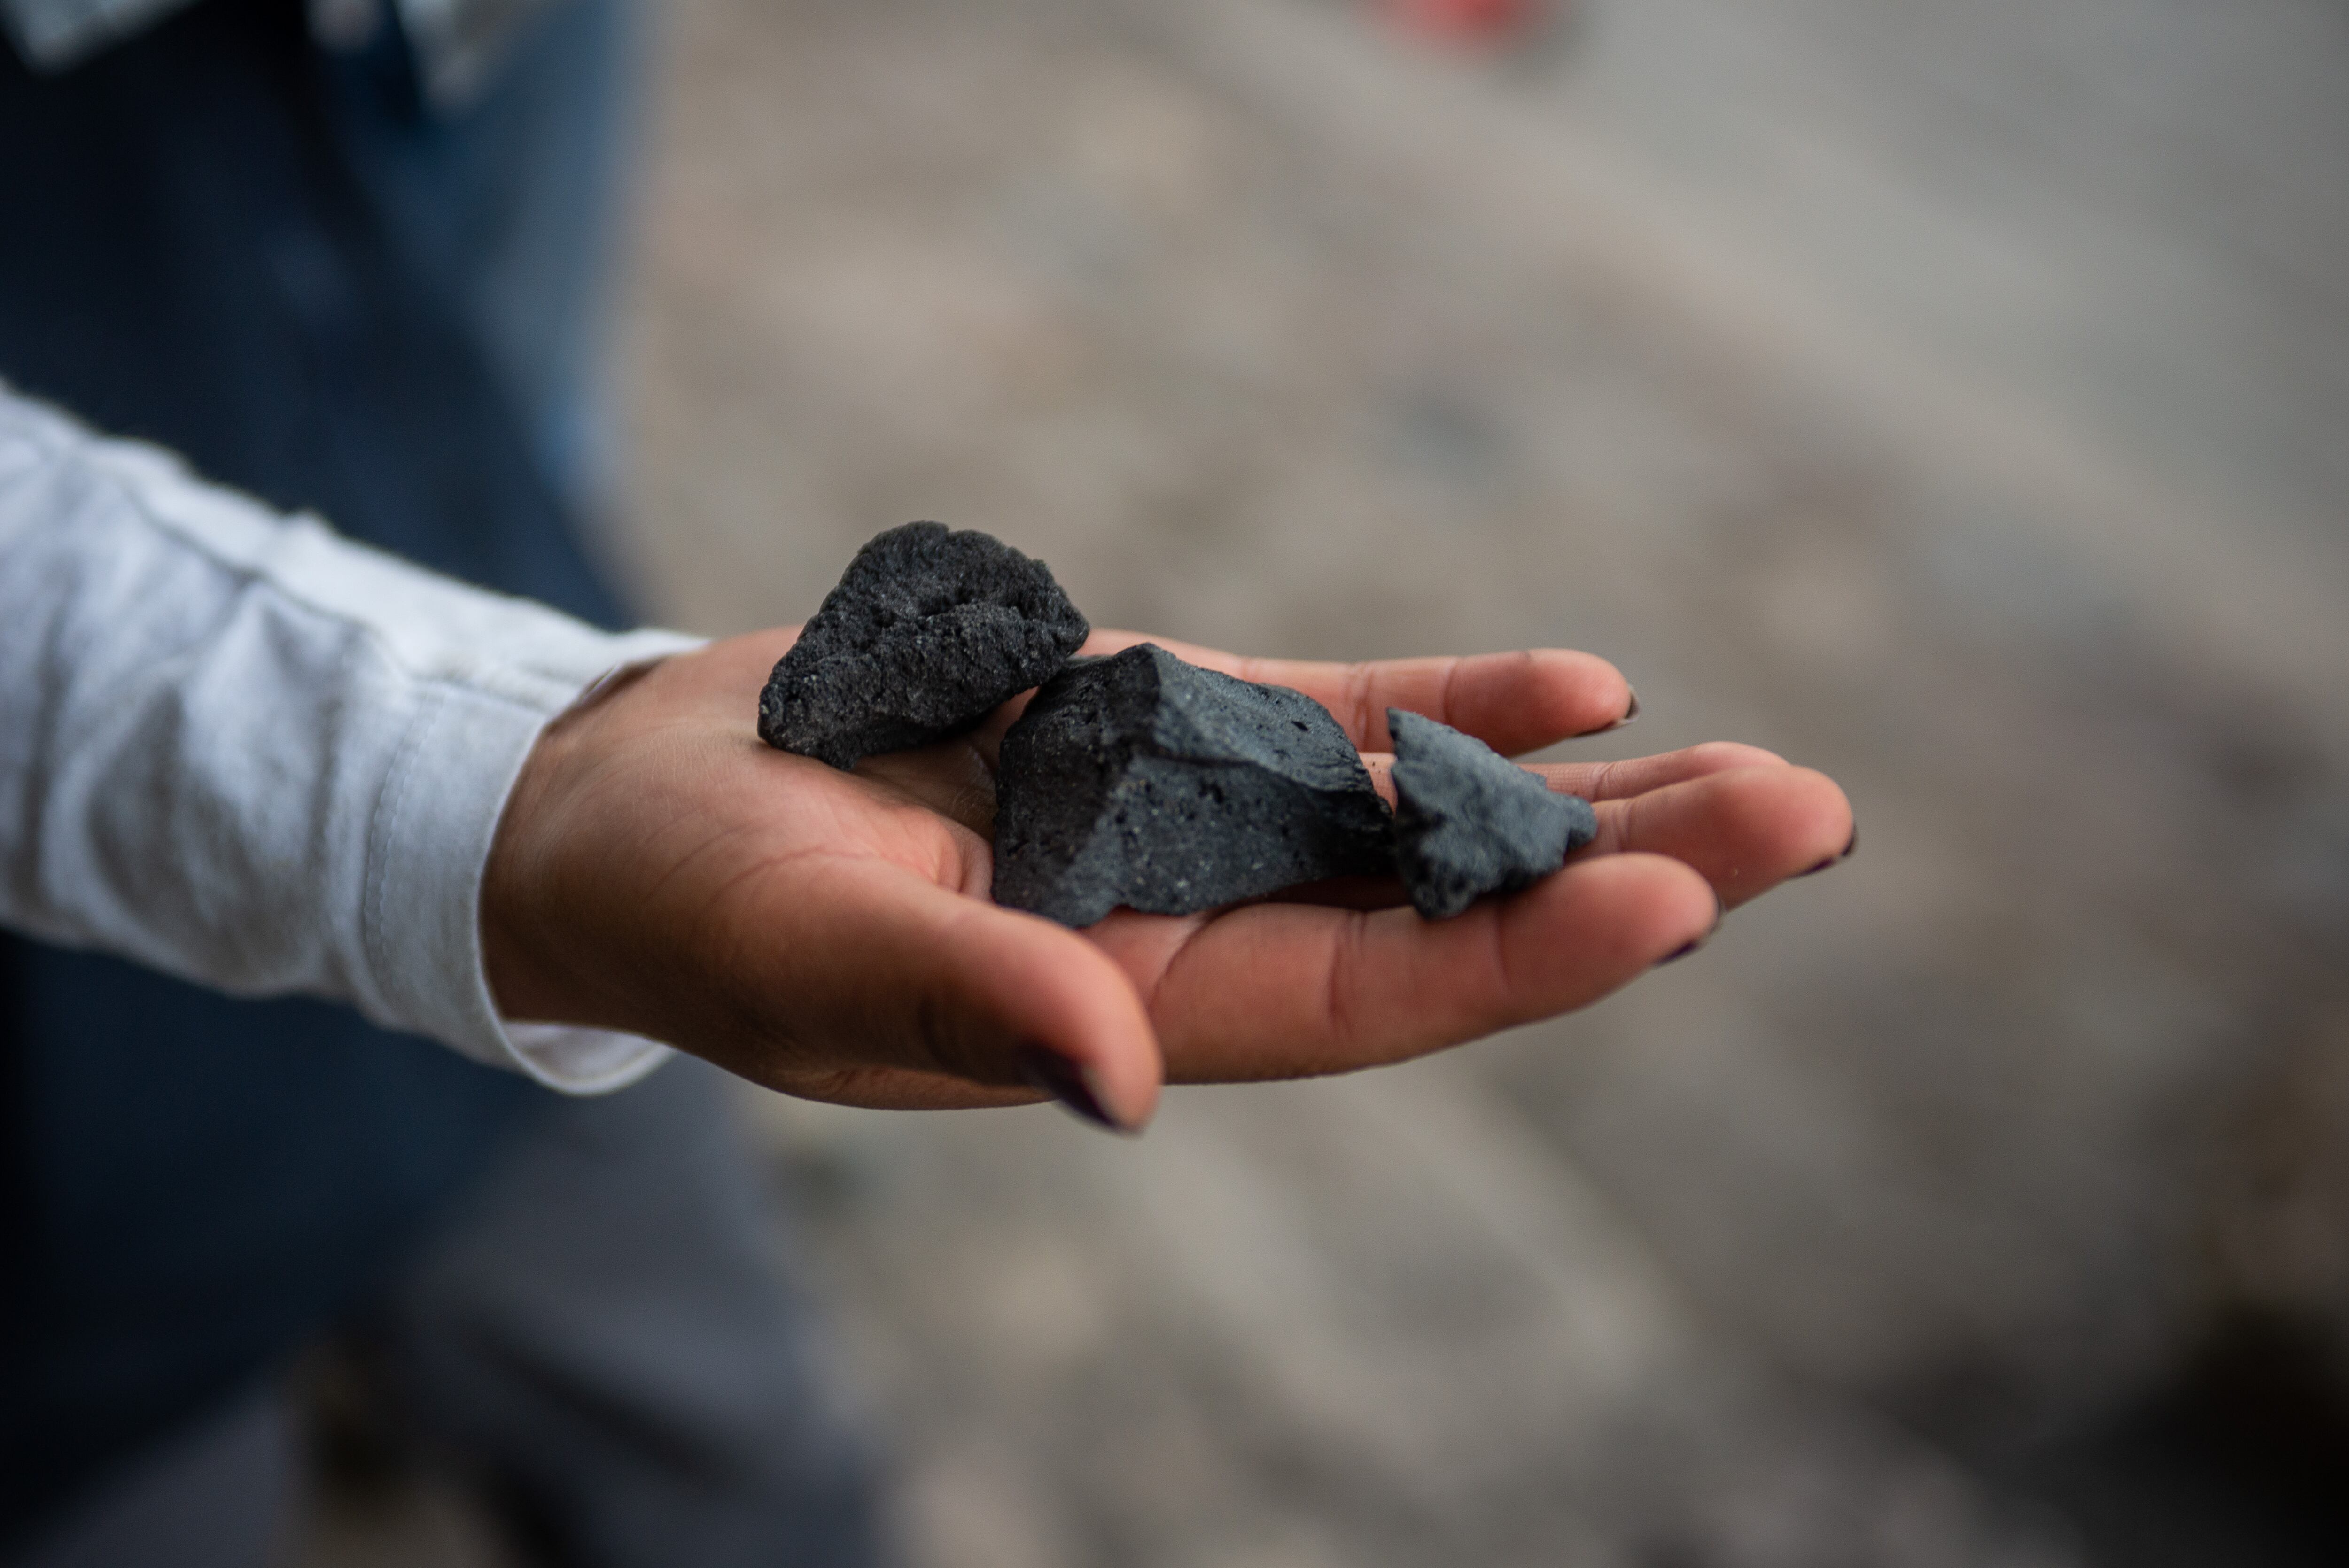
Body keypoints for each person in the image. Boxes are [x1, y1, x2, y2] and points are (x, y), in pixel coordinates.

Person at [0, 0, 1854, 1560]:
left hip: (496, 733)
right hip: (73, 1212)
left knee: (735, 1458)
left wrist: (531, 724)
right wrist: (515, 766)